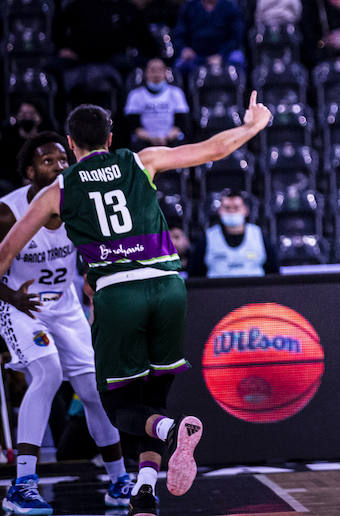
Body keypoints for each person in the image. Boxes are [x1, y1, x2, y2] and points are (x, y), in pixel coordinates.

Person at [0, 96, 272, 516]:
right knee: (153, 395)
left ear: (71, 145)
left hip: (119, 295)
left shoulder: (59, 191)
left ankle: (168, 430)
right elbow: (214, 149)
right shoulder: (142, 160)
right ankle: (144, 492)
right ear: (111, 138)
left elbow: (3, 255)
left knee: (118, 405)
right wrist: (252, 125)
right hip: (168, 286)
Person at [0, 133, 135, 514]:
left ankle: (119, 480)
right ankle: (22, 484)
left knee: (93, 391)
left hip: (66, 306)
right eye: (48, 161)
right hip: (19, 305)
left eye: (63, 159)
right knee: (47, 372)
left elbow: (97, 252)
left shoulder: (80, 204)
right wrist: (11, 297)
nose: (60, 166)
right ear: (30, 172)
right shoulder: (8, 212)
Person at [190, 191, 278, 278]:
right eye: (227, 208)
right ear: (220, 211)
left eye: (236, 207)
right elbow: (195, 273)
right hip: (218, 290)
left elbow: (273, 270)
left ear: (245, 210)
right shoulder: (207, 238)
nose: (231, 211)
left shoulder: (259, 236)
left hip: (254, 289)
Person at [125, 58, 190, 149]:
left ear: (165, 72)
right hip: (145, 141)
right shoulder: (135, 95)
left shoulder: (176, 93)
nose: (156, 74)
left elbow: (182, 123)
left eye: (160, 70)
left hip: (170, 141)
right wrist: (152, 139)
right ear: (146, 72)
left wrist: (166, 138)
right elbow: (133, 125)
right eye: (152, 70)